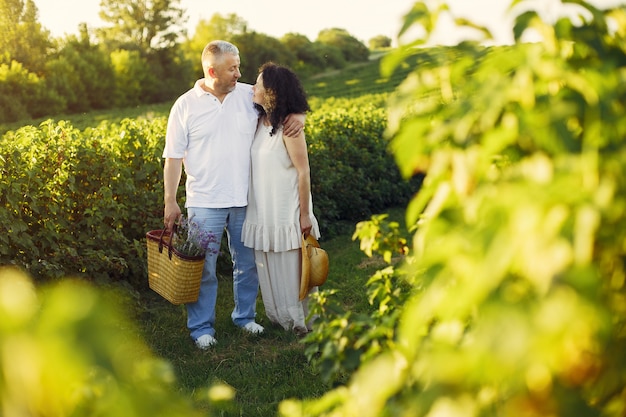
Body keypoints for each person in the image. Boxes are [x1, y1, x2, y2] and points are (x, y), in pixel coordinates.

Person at [162, 41, 304, 349]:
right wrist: (170, 201)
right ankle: (201, 328)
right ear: (212, 71)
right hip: (204, 201)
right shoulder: (185, 105)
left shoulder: (247, 95)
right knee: (204, 269)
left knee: (248, 263)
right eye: (232, 68)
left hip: (246, 199)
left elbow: (282, 100)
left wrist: (298, 116)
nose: (239, 73)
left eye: (238, 66)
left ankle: (245, 317)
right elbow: (172, 157)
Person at [242, 62, 321, 336]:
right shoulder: (259, 122)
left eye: (259, 84)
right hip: (263, 208)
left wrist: (304, 213)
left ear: (271, 92)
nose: (253, 88)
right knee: (269, 263)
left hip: (287, 207)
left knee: (292, 267)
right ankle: (279, 318)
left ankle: (301, 322)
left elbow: (303, 171)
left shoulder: (290, 127)